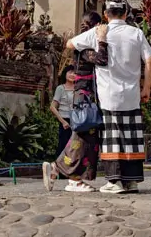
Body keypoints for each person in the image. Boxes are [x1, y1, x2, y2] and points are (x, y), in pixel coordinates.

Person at [67, 0, 151, 194]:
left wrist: (96, 42)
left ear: (106, 15)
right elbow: (150, 61)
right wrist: (146, 88)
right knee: (131, 138)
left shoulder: (99, 32)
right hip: (132, 95)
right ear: (125, 13)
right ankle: (132, 181)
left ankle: (114, 182)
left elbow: (70, 44)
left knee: (112, 138)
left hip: (109, 96)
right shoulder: (137, 33)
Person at [43, 12, 108, 193]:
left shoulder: (83, 43)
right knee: (82, 138)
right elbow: (102, 59)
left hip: (86, 96)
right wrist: (102, 41)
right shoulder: (84, 45)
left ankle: (58, 170)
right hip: (84, 97)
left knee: (85, 137)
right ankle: (72, 179)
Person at [50, 66, 77, 159]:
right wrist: (63, 121)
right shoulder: (60, 88)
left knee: (75, 147)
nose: (72, 75)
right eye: (70, 72)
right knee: (63, 146)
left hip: (77, 122)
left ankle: (72, 171)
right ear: (65, 74)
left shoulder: (79, 89)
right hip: (65, 122)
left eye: (75, 73)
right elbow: (52, 107)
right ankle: (58, 169)